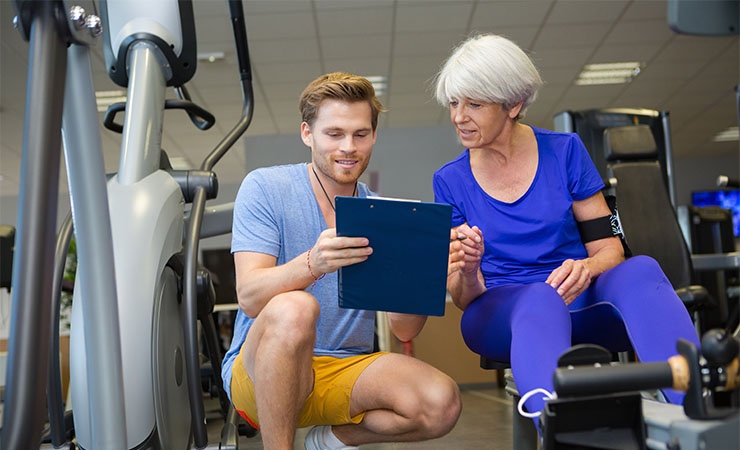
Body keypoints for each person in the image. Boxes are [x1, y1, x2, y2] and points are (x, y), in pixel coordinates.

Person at [431, 34, 700, 431]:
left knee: (641, 269)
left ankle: (698, 410)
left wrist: (588, 268)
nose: (458, 116)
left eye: (474, 104)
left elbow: (611, 251)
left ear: (514, 104)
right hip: (500, 314)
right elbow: (463, 297)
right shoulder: (450, 180)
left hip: (578, 300)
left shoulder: (565, 151)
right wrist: (467, 270)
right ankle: (563, 434)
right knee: (538, 298)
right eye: (454, 103)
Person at [222, 72, 461, 450]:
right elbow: (250, 296)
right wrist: (312, 263)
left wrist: (426, 274)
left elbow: (404, 331)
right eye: (334, 134)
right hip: (259, 374)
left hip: (344, 370)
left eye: (360, 134)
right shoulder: (266, 187)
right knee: (296, 307)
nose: (349, 147)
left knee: (440, 403)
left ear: (373, 136)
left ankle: (332, 440)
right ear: (307, 134)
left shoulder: (386, 214)